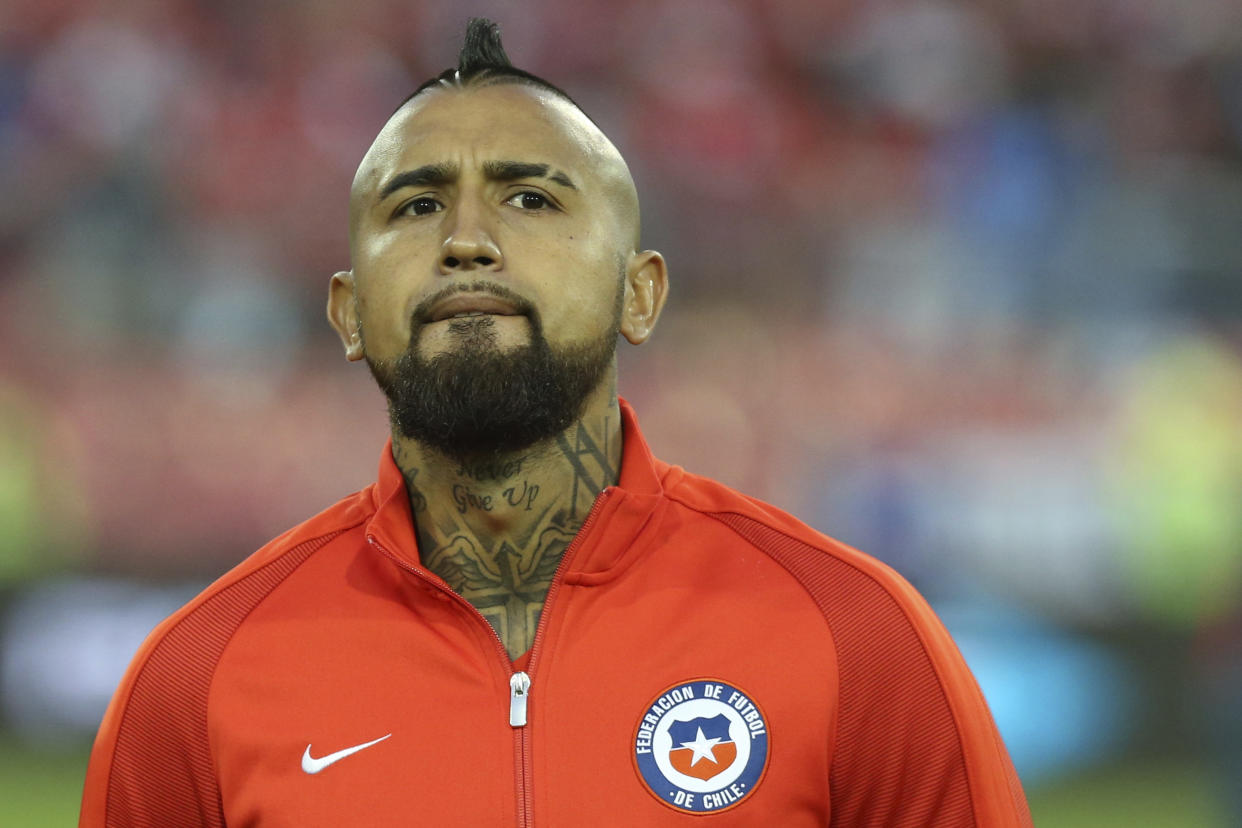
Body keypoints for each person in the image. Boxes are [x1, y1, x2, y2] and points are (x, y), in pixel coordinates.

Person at [80, 18, 1033, 827]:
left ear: (642, 294)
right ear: (346, 311)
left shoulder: (857, 639)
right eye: (415, 205)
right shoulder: (199, 678)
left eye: (531, 198)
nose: (465, 241)